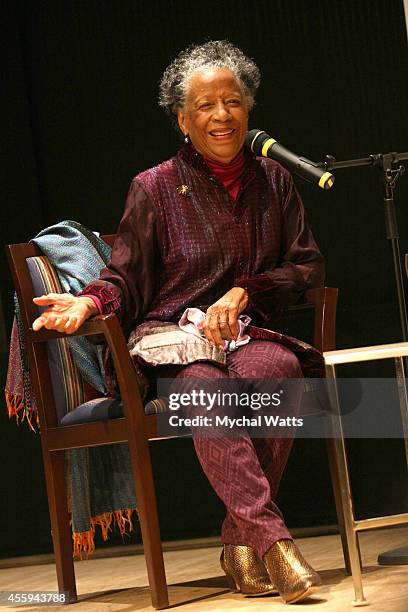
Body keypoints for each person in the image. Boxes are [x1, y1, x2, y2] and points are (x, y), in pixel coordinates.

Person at [33, 41, 325, 604]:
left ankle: (240, 544)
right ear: (182, 118)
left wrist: (248, 290)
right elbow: (124, 277)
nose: (222, 116)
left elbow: (306, 266)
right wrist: (89, 305)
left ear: (249, 109)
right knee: (201, 388)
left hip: (246, 333)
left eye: (233, 102)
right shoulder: (155, 186)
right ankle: (275, 544)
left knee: (282, 369)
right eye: (206, 106)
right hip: (171, 344)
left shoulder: (275, 181)